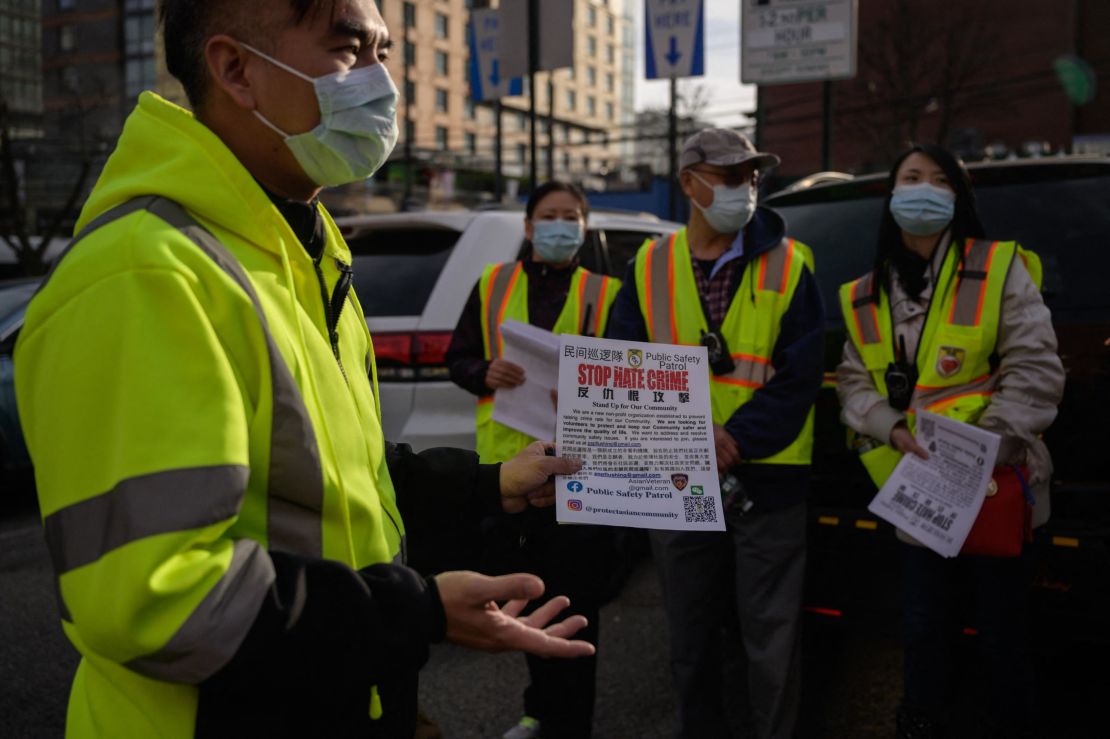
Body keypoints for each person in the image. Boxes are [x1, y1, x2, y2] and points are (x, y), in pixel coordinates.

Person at [14, 2, 596, 737]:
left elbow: (331, 473)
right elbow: (157, 599)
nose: (384, 81)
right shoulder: (147, 272)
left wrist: (489, 487)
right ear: (235, 70)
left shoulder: (299, 248)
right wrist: (414, 609)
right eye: (349, 49)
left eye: (384, 50)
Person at [835, 143, 1065, 737]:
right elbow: (855, 385)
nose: (924, 189)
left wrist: (987, 444)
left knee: (1003, 634)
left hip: (995, 484)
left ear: (958, 198)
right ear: (892, 195)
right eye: (911, 177)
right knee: (922, 631)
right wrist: (892, 428)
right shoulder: (866, 292)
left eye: (940, 180)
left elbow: (1035, 367)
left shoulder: (996, 267)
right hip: (920, 495)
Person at [605, 129, 824, 739]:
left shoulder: (792, 264)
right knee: (688, 630)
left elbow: (800, 376)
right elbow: (626, 368)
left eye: (751, 178)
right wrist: (696, 439)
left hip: (768, 477)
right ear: (689, 184)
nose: (743, 189)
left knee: (771, 636)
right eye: (728, 177)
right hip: (675, 476)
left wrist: (735, 440)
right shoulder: (648, 266)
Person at [446, 180, 621, 739]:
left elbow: (628, 375)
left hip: (581, 475)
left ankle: (573, 725)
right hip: (510, 478)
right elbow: (459, 358)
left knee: (578, 604)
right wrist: (483, 372)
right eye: (549, 215)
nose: (560, 224)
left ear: (585, 227)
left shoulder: (609, 292)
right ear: (527, 226)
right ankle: (538, 711)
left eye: (571, 216)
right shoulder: (493, 283)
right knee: (527, 599)